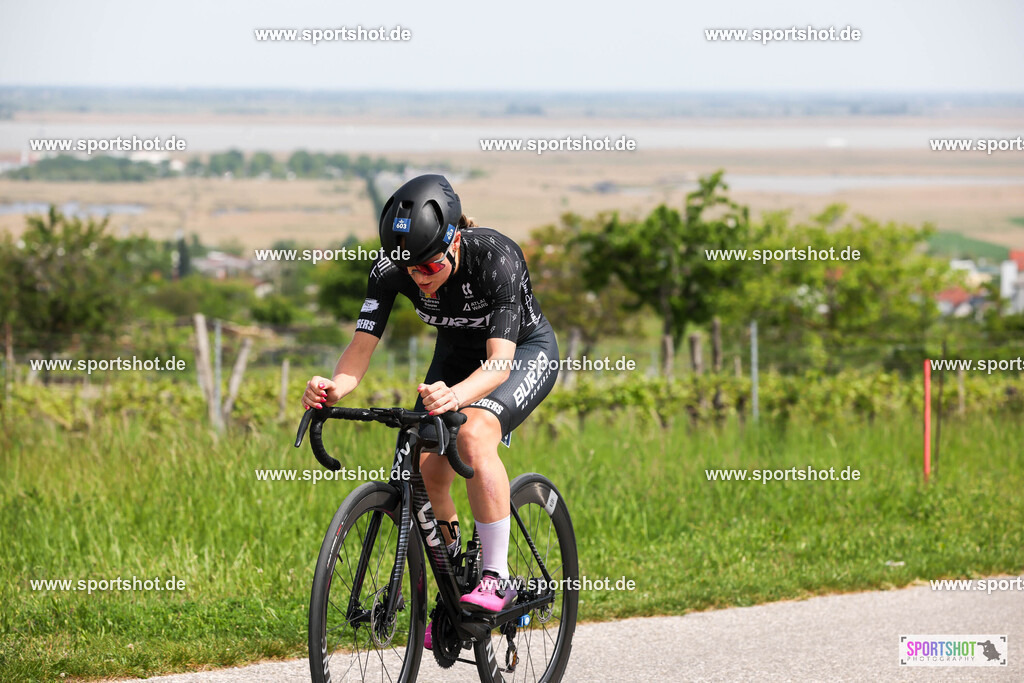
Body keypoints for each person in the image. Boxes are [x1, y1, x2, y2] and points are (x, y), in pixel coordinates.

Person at [301, 174, 559, 647]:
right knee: (423, 467)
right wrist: (334, 387)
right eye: (411, 269)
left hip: (520, 353)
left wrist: (457, 397)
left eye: (430, 265)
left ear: (454, 240)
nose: (420, 277)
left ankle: (496, 576)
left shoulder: (495, 258)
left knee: (473, 435)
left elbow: (499, 365)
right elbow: (360, 348)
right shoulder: (390, 268)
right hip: (457, 356)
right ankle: (454, 577)